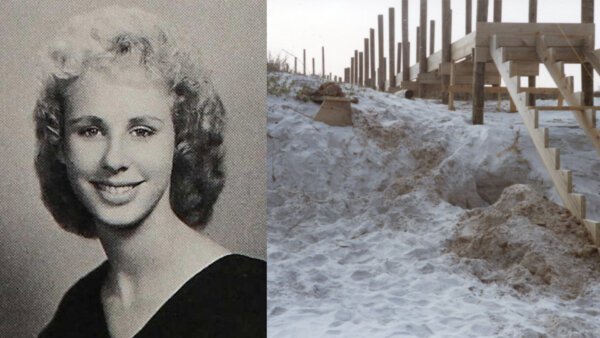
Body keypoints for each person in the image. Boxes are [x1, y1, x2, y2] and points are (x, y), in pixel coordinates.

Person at [34, 6, 265, 338]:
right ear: (60, 146)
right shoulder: (75, 313)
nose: (114, 159)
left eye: (141, 131)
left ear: (181, 138)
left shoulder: (254, 301)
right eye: (90, 131)